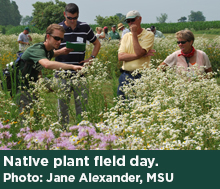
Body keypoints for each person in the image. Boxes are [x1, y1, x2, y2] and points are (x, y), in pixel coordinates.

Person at [16, 24, 82, 115]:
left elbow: (50, 55)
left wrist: (61, 52)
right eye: (56, 38)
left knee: (36, 116)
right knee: (26, 118)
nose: (59, 42)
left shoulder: (48, 50)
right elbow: (47, 64)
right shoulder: (38, 49)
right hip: (21, 87)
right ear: (48, 36)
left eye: (61, 39)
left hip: (31, 86)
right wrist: (72, 67)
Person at [55, 3, 101, 126]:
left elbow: (97, 43)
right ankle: (63, 133)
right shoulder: (57, 29)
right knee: (63, 107)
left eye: (75, 18)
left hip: (80, 73)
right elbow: (48, 51)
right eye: (69, 18)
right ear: (64, 14)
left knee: (82, 106)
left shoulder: (84, 27)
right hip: (62, 74)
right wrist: (61, 51)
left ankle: (82, 132)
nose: (72, 21)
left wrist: (91, 58)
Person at [117, 10, 154, 99]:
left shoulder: (148, 35)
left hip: (141, 75)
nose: (130, 23)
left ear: (139, 19)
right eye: (128, 21)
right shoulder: (126, 36)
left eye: (132, 20)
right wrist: (139, 55)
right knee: (122, 104)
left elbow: (138, 52)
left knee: (139, 103)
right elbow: (120, 57)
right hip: (125, 75)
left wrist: (134, 33)